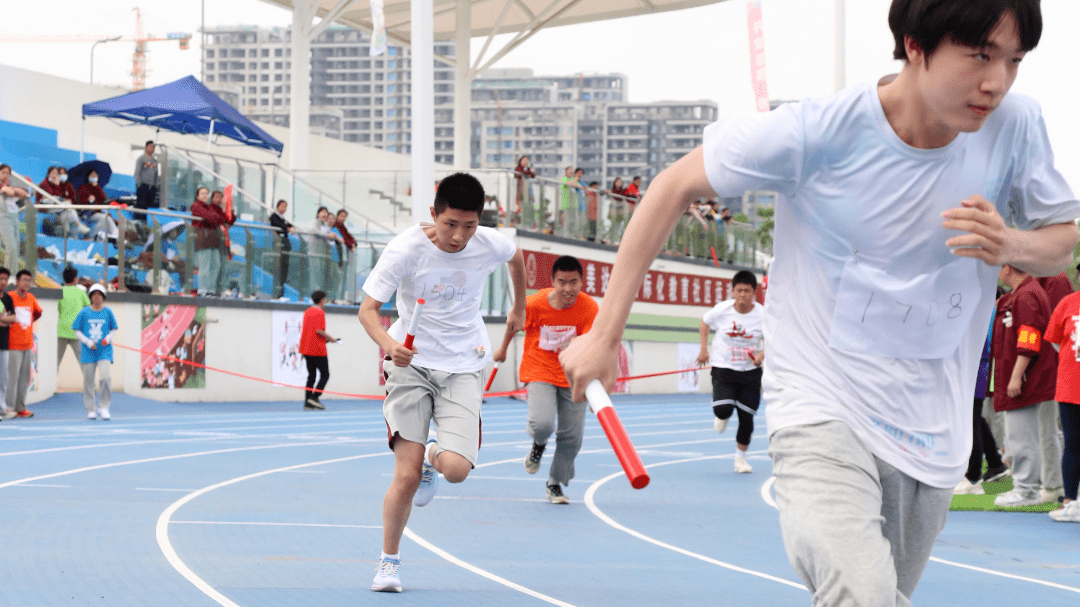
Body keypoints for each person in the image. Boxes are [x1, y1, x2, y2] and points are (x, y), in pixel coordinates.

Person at [558, 2, 1079, 605]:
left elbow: (1060, 242)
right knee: (861, 593)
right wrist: (604, 335)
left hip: (930, 423)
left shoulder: (1015, 124)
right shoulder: (817, 130)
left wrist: (1010, 242)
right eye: (981, 55)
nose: (998, 81)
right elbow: (675, 184)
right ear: (915, 44)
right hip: (820, 403)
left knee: (878, 596)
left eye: (1014, 61)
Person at [358, 173, 526, 593]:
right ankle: (388, 563)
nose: (458, 236)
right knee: (406, 475)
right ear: (433, 214)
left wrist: (518, 309)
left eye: (469, 226)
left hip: (464, 363)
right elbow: (366, 310)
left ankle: (435, 451)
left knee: (455, 470)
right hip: (411, 363)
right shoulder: (405, 249)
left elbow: (516, 257)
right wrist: (389, 344)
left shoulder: (488, 242)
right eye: (450, 224)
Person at [494, 255, 598, 504]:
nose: (568, 289)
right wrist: (503, 349)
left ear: (582, 282)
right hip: (539, 369)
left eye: (573, 282)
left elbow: (596, 346)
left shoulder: (589, 309)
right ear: (553, 281)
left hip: (574, 375)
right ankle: (538, 444)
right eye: (562, 282)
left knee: (572, 437)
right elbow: (513, 322)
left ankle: (554, 483)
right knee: (542, 424)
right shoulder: (536, 304)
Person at [992, 264, 1063, 506]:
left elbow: (1030, 335)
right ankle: (1026, 487)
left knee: (1022, 436)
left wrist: (1015, 376)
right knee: (1021, 435)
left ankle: (1026, 489)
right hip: (1021, 375)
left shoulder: (1026, 294)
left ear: (1008, 268)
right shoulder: (1022, 293)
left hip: (1024, 378)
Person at [696, 270, 765, 473]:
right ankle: (723, 414)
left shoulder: (763, 314)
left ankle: (740, 460)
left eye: (747, 291)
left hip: (749, 370)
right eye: (739, 290)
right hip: (724, 368)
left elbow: (773, 337)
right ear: (733, 291)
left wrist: (762, 354)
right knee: (723, 409)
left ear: (754, 293)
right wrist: (703, 349)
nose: (743, 295)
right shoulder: (722, 310)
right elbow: (704, 322)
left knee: (747, 417)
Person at [954, 313, 1010, 494]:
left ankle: (972, 478)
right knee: (976, 418)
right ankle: (995, 463)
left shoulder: (975, 309)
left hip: (974, 366)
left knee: (971, 420)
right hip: (977, 365)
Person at [1044, 273, 1080, 522]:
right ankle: (1069, 499)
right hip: (1071, 388)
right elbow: (1056, 341)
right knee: (1073, 444)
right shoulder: (1068, 303)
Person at [72, 284, 118, 421]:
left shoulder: (108, 312)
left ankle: (103, 407)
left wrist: (108, 338)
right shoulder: (84, 312)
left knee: (105, 377)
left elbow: (113, 328)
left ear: (103, 297)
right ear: (90, 296)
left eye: (99, 294)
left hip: (104, 351)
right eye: (94, 294)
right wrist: (87, 341)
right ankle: (90, 409)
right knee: (89, 381)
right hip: (88, 351)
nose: (96, 297)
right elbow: (76, 329)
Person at [5, 270, 42, 419]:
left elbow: (38, 312)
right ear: (17, 282)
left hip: (27, 343)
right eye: (24, 280)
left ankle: (20, 407)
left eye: (29, 280)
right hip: (13, 344)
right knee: (12, 378)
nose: (27, 283)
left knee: (25, 379)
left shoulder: (31, 298)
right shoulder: (10, 298)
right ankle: (7, 408)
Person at [191, 188, 236, 297]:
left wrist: (227, 209)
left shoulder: (208, 207)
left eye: (206, 193)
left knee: (216, 265)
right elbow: (213, 218)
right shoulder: (196, 206)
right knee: (205, 266)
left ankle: (210, 289)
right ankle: (203, 290)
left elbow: (223, 219)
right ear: (197, 196)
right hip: (204, 239)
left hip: (213, 240)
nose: (205, 195)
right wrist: (219, 217)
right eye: (202, 193)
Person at [299, 289, 339, 410]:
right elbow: (319, 330)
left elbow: (311, 331)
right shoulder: (320, 312)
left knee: (311, 376)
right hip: (317, 349)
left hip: (306, 348)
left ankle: (307, 401)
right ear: (322, 300)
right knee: (325, 374)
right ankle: (315, 397)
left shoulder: (307, 311)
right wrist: (331, 339)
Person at [38, 166, 89, 237]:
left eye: (56, 174)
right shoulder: (45, 183)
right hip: (46, 207)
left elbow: (58, 197)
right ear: (49, 174)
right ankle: (78, 225)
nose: (55, 175)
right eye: (53, 173)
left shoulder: (59, 184)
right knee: (67, 204)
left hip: (57, 208)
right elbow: (46, 198)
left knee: (66, 212)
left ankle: (70, 234)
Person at [57, 266, 90, 371]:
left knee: (55, 362)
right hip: (77, 332)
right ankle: (90, 387)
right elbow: (89, 308)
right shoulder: (81, 293)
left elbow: (57, 309)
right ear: (75, 278)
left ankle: (49, 386)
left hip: (61, 331)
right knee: (84, 363)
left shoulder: (60, 291)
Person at [75, 169, 118, 241]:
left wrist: (96, 187)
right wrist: (88, 199)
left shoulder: (98, 188)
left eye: (95, 175)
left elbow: (103, 200)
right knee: (105, 218)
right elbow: (79, 201)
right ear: (88, 176)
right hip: (87, 213)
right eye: (92, 175)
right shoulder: (83, 188)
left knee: (107, 219)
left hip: (96, 212)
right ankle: (92, 237)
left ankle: (115, 234)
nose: (94, 176)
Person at [0, 164, 28, 269]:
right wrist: (12, 189)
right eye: (3, 172)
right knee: (10, 247)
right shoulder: (3, 187)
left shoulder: (8, 185)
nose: (5, 175)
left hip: (13, 219)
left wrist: (12, 189)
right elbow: (10, 192)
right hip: (2, 219)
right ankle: (8, 274)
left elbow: (24, 193)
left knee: (15, 248)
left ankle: (12, 274)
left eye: (8, 173)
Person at [269, 199, 295, 298]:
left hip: (284, 246)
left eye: (285, 207)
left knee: (284, 269)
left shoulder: (282, 218)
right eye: (282, 206)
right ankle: (277, 293)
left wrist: (290, 227)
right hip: (278, 245)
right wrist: (287, 228)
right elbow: (279, 225)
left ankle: (281, 293)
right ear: (277, 206)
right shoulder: (274, 217)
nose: (284, 209)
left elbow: (288, 224)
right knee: (279, 269)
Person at [134, 140, 159, 221]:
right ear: (146, 147)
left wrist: (155, 186)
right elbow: (137, 172)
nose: (152, 149)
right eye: (150, 146)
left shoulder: (155, 161)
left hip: (151, 188)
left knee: (149, 208)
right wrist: (139, 185)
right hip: (143, 187)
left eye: (153, 147)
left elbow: (156, 175)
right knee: (141, 207)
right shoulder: (141, 159)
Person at [0, 267, 13, 420]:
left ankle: (2, 407)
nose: (3, 282)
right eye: (0, 278)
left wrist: (3, 320)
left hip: (4, 343)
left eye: (5, 279)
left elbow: (13, 318)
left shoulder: (8, 299)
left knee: (3, 377)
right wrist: (5, 320)